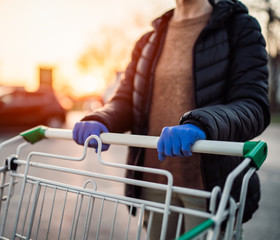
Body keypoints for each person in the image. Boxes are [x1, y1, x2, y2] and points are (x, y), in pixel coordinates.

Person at [72, 0, 270, 238]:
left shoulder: (240, 28)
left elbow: (253, 105)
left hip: (209, 188)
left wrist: (201, 125)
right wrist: (102, 118)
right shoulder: (149, 41)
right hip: (155, 184)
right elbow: (125, 100)